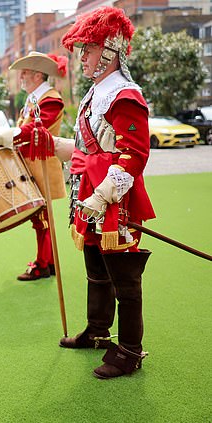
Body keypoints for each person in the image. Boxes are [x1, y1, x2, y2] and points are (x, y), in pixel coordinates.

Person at [57, 7, 155, 379]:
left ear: (110, 53)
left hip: (117, 202)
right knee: (96, 270)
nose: (82, 56)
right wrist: (46, 142)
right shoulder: (95, 94)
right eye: (82, 49)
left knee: (125, 280)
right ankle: (98, 331)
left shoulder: (124, 95)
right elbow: (87, 150)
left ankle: (129, 350)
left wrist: (102, 195)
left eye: (89, 49)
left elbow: (133, 157)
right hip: (91, 196)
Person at [8, 52, 68, 281]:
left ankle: (42, 265)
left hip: (42, 165)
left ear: (36, 74)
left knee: (42, 219)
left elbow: (34, 129)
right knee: (40, 218)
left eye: (24, 72)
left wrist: (8, 134)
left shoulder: (50, 99)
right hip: (32, 165)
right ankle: (48, 263)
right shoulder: (34, 98)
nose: (21, 76)